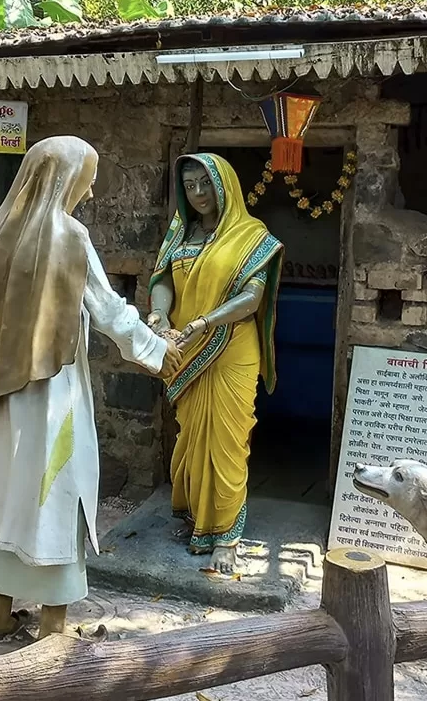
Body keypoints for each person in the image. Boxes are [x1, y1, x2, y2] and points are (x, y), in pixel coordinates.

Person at [0, 136, 182, 641]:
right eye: (89, 176)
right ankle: (53, 628)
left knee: (6, 499)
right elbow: (108, 310)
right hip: (50, 395)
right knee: (56, 496)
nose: (92, 188)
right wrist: (155, 350)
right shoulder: (68, 235)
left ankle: (0, 617)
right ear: (64, 178)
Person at [147, 152, 284, 574]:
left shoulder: (251, 236)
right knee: (192, 435)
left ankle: (226, 536)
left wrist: (204, 321)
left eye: (206, 183)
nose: (198, 193)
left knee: (227, 442)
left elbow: (253, 297)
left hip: (231, 347)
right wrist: (159, 315)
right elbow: (164, 279)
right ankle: (198, 520)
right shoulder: (181, 231)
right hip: (185, 348)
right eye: (189, 185)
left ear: (225, 185)